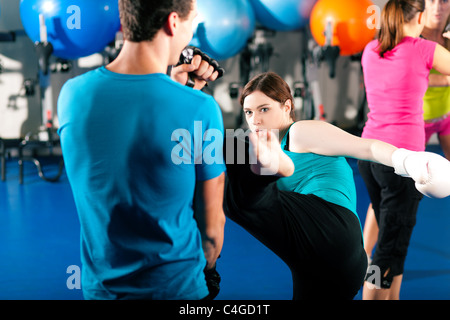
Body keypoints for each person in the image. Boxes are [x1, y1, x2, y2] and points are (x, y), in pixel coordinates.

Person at [223, 71, 450, 300]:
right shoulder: (265, 152)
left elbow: (367, 148)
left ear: (287, 106)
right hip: (328, 264)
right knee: (235, 188)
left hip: (330, 226)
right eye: (249, 113)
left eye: (264, 109)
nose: (255, 120)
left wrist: (408, 161)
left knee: (234, 194)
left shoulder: (300, 132)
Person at [57, 0, 226, 300]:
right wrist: (208, 272)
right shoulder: (201, 109)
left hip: (101, 292)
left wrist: (177, 89)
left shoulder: (72, 95)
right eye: (193, 21)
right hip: (177, 290)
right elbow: (212, 231)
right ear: (173, 23)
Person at [358, 0, 450, 300]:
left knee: (390, 239)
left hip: (370, 157)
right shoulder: (424, 50)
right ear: (421, 16)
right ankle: (371, 294)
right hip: (403, 163)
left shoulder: (371, 50)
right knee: (388, 248)